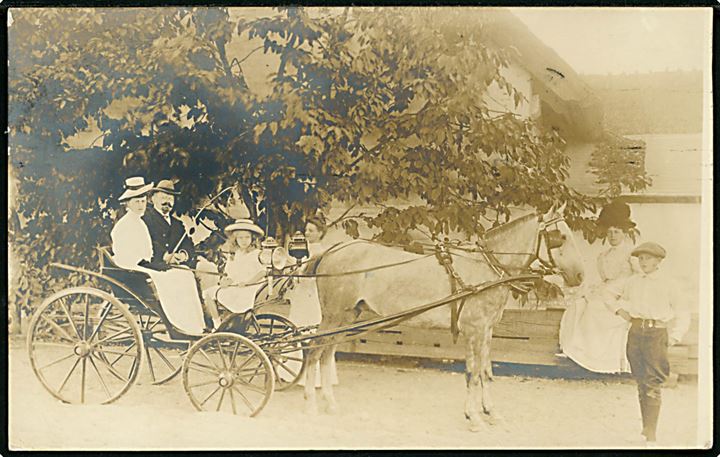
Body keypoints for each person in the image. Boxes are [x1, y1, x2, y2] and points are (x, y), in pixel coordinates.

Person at [612, 242, 690, 445]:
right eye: (640, 259)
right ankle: (646, 429)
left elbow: (682, 311)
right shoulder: (632, 282)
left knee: (652, 383)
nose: (643, 262)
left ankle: (652, 436)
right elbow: (610, 295)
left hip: (657, 333)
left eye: (647, 258)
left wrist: (675, 336)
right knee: (640, 381)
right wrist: (620, 310)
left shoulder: (668, 283)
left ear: (658, 261)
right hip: (636, 332)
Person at [111, 176, 206, 335]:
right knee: (173, 278)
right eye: (137, 202)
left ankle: (194, 325)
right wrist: (156, 264)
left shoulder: (139, 222)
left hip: (143, 265)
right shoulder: (125, 224)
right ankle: (180, 325)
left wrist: (177, 257)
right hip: (132, 268)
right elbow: (127, 255)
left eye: (142, 201)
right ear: (128, 203)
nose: (141, 205)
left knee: (185, 275)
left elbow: (148, 251)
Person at [558, 200, 638, 373]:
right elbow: (604, 280)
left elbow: (639, 278)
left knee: (595, 308)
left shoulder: (632, 254)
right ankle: (574, 349)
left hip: (624, 297)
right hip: (606, 294)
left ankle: (601, 359)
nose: (612, 236)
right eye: (609, 232)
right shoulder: (603, 256)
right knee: (578, 304)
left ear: (624, 233)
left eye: (616, 232)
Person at [285, 212, 339, 387]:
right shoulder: (298, 248)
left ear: (320, 233)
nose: (307, 233)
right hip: (300, 293)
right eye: (306, 230)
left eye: (311, 230)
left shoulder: (323, 252)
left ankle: (314, 378)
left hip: (315, 294)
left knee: (313, 329)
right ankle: (292, 373)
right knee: (296, 328)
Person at [202, 218, 266, 322]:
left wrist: (248, 282)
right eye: (240, 238)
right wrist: (225, 281)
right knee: (208, 293)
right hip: (236, 285)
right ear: (235, 239)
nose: (244, 241)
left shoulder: (257, 254)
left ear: (252, 238)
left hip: (251, 287)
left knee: (231, 295)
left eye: (247, 237)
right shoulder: (235, 254)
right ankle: (217, 322)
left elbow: (263, 272)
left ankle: (234, 321)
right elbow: (229, 274)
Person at [142, 179, 196, 268]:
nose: (167, 202)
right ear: (153, 198)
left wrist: (183, 255)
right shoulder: (146, 219)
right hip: (155, 267)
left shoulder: (178, 224)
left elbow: (187, 244)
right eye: (163, 198)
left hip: (177, 267)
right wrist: (164, 256)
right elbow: (145, 243)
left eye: (170, 199)